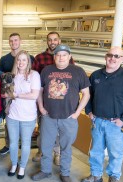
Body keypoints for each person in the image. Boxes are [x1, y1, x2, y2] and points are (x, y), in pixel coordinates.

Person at [81, 47, 123, 182]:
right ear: (105, 57)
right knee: (96, 151)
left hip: (116, 124)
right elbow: (88, 96)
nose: (112, 58)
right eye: (110, 55)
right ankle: (96, 175)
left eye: (116, 56)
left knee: (115, 153)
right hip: (98, 122)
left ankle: (114, 178)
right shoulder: (95, 75)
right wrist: (89, 112)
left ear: (121, 59)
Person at [32, 44, 90, 182]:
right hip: (49, 117)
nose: (61, 57)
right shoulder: (47, 70)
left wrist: (77, 113)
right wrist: (41, 107)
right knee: (45, 145)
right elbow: (40, 91)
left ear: (69, 57)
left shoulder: (78, 71)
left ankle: (65, 173)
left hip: (68, 118)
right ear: (54, 57)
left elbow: (86, 94)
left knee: (66, 147)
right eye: (58, 55)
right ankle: (45, 170)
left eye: (64, 55)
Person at [31, 31, 75, 165]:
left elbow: (72, 78)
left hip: (61, 102)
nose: (52, 42)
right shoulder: (39, 58)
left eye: (55, 40)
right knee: (44, 129)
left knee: (59, 131)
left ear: (59, 41)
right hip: (44, 102)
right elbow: (35, 79)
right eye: (50, 40)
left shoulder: (68, 58)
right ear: (47, 42)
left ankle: (57, 153)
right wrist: (39, 104)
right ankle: (42, 151)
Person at [4, 50, 40, 179]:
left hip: (28, 117)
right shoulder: (12, 76)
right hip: (12, 116)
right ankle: (14, 164)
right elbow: (6, 93)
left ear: (28, 62)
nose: (21, 62)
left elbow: (34, 95)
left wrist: (17, 95)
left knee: (25, 143)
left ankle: (22, 167)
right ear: (16, 61)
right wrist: (7, 101)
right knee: (13, 143)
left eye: (24, 60)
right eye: (19, 60)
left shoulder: (34, 75)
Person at [0, 33, 35, 156]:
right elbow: (2, 79)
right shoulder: (4, 59)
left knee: (25, 130)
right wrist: (6, 94)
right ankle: (9, 145)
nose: (13, 43)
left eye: (16, 40)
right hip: (10, 99)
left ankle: (22, 148)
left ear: (20, 41)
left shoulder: (30, 58)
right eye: (11, 41)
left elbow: (33, 77)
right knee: (10, 124)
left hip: (26, 99)